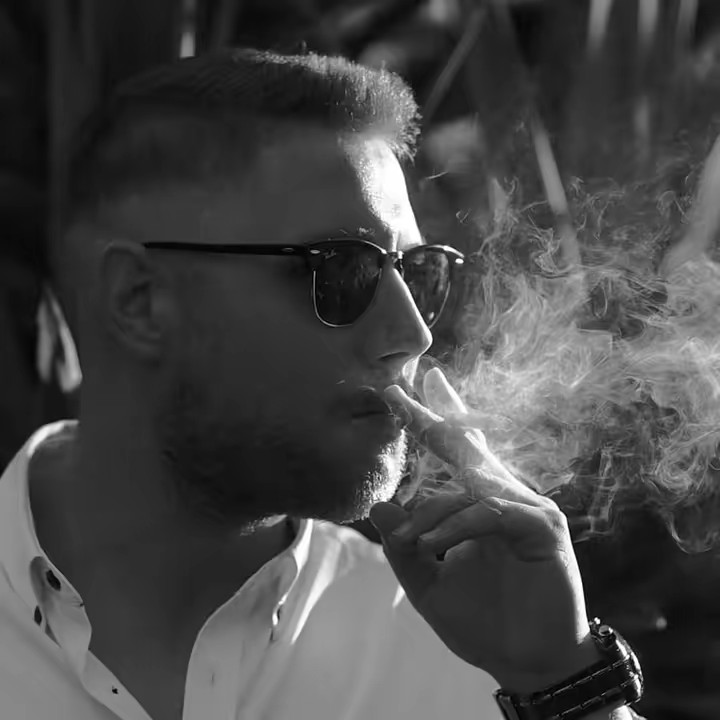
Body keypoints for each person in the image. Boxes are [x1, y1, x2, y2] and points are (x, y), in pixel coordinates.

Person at [0, 48, 642, 720]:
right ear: (140, 301)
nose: (413, 334)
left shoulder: (478, 655)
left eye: (418, 273)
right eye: (343, 269)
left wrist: (562, 680)